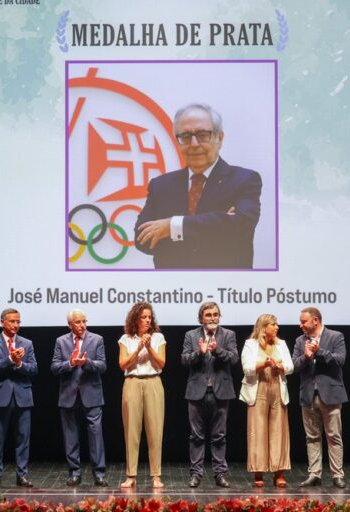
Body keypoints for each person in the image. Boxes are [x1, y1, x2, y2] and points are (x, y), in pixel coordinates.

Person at [134, 103, 262, 269]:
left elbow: (241, 224)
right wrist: (219, 224)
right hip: (173, 283)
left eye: (202, 135)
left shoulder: (244, 180)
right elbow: (142, 239)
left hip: (225, 282)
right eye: (186, 136)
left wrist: (173, 227)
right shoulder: (160, 186)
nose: (194, 144)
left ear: (219, 138)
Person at [181, 302, 238, 488]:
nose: (212, 318)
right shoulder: (191, 335)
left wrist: (217, 351)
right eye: (208, 315)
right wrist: (200, 352)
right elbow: (184, 360)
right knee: (196, 436)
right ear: (201, 318)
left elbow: (234, 358)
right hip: (196, 393)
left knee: (219, 436)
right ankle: (196, 474)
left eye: (215, 314)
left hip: (221, 392)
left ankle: (220, 474)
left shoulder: (228, 335)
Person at [291, 307, 348, 488]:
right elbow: (293, 365)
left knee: (334, 436)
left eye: (304, 321)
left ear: (315, 321)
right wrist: (306, 357)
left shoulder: (335, 336)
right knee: (312, 437)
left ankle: (337, 475)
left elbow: (340, 360)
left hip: (330, 395)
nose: (300, 325)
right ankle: (314, 474)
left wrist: (320, 351)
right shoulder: (300, 341)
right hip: (308, 395)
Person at [50, 309, 108, 487]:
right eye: (78, 322)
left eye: (84, 321)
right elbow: (54, 367)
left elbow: (102, 365)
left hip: (92, 394)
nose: (82, 325)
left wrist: (86, 363)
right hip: (68, 395)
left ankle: (99, 474)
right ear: (70, 325)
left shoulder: (97, 339)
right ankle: (74, 472)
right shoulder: (61, 341)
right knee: (70, 436)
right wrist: (70, 363)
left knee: (96, 436)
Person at [0, 308, 38, 488]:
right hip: (0, 397)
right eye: (12, 321)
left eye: (18, 322)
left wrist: (19, 363)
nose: (16, 325)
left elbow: (34, 369)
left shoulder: (27, 344)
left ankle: (22, 475)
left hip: (23, 396)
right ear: (3, 322)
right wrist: (10, 359)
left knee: (23, 438)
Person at [240, 314, 294, 488]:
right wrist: (264, 363)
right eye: (273, 324)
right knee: (257, 431)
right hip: (258, 390)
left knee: (279, 431)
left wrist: (280, 366)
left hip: (277, 389)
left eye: (277, 324)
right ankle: (258, 472)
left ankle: (279, 473)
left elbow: (290, 366)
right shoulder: (250, 344)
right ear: (264, 327)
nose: (277, 327)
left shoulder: (281, 344)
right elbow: (247, 368)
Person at [118, 302, 166, 488]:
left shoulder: (158, 337)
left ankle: (156, 476)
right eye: (143, 317)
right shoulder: (126, 339)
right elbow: (123, 364)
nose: (147, 320)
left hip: (153, 382)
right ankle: (131, 475)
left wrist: (150, 347)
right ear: (135, 319)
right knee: (131, 430)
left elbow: (161, 363)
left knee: (155, 430)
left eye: (149, 317)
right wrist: (138, 348)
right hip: (132, 383)